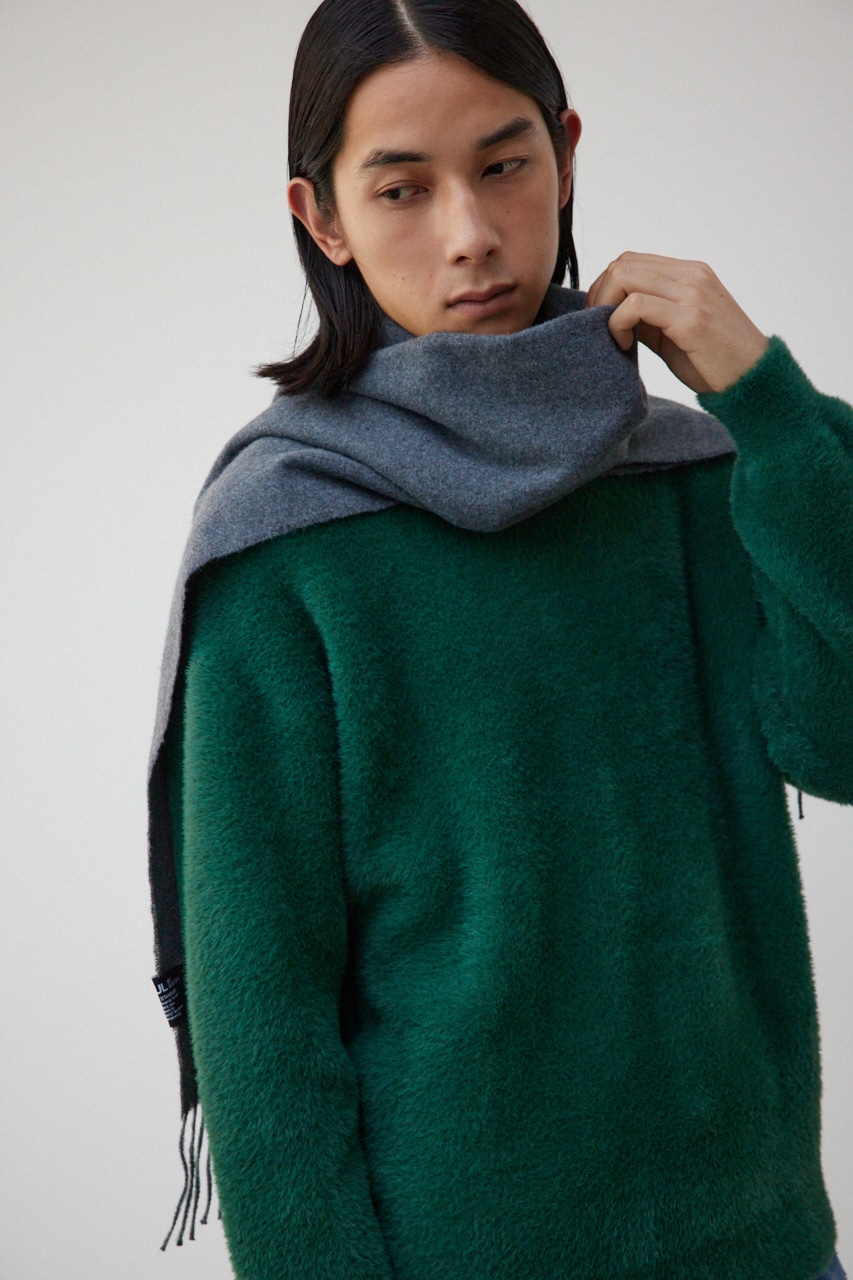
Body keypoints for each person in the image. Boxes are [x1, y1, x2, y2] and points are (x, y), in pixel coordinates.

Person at [149, 1, 853, 1277]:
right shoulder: (286, 537)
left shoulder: (693, 473)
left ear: (565, 154)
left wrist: (768, 400)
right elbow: (266, 1033)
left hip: (762, 1241)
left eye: (503, 164)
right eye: (401, 189)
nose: (469, 232)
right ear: (322, 217)